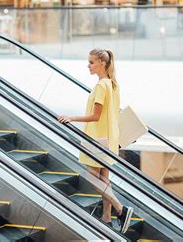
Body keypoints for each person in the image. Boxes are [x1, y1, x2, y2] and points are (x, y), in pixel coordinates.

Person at [58, 48, 134, 233]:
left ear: (102, 63)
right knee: (104, 178)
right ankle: (106, 217)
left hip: (96, 138)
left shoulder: (101, 86)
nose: (88, 66)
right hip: (109, 137)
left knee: (91, 177)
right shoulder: (113, 84)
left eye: (91, 62)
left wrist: (71, 118)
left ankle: (120, 209)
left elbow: (96, 116)